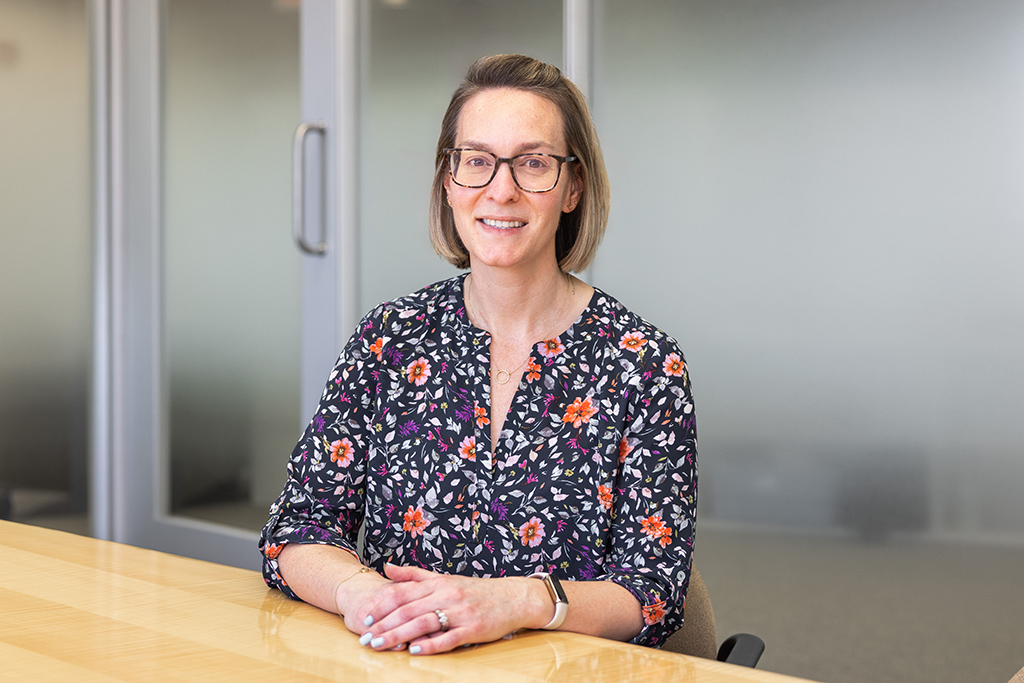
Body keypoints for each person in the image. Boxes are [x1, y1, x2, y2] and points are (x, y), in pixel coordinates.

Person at [259, 54, 697, 655]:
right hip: (403, 662)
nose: (501, 189)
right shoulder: (389, 338)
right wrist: (362, 593)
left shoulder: (643, 364)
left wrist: (517, 600)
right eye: (477, 161)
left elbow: (651, 592)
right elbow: (298, 529)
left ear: (573, 188)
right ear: (449, 181)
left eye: (534, 163)